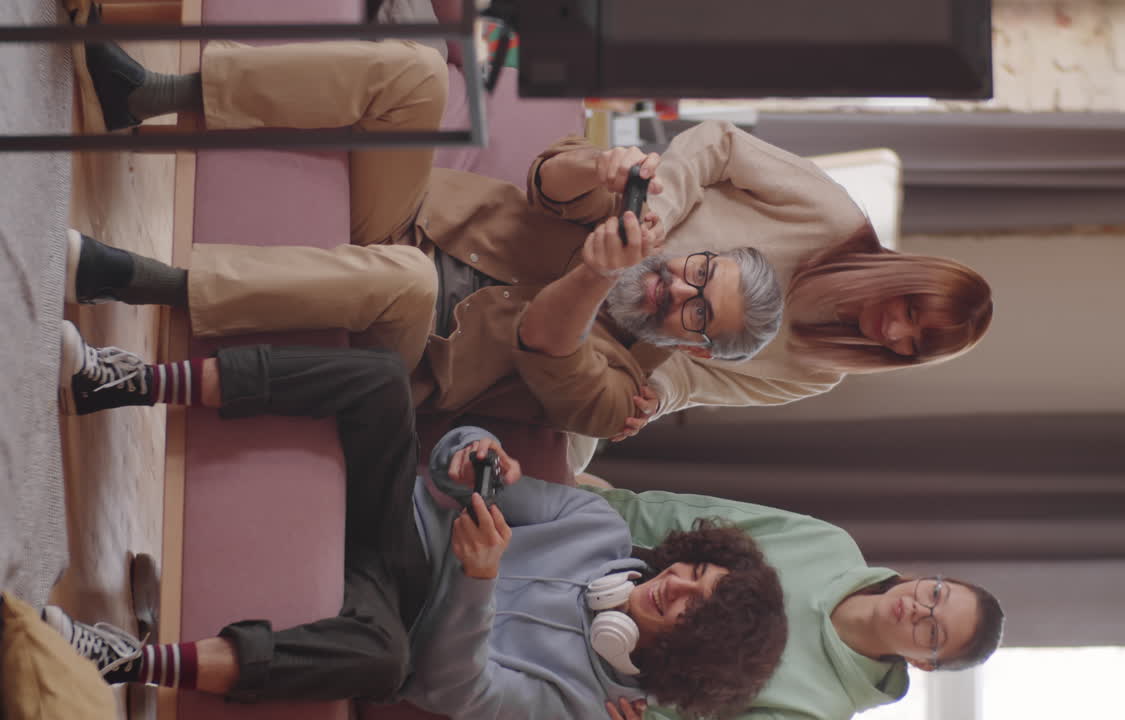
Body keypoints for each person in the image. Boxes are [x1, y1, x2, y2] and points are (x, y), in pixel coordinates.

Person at [50, 321, 788, 720]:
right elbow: (459, 466)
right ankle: (126, 380)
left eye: (692, 611)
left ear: (689, 658)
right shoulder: (595, 528)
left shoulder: (587, 707)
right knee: (379, 380)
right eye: (691, 574)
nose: (676, 590)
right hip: (400, 515)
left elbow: (452, 692)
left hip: (396, 614)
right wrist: (471, 458)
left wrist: (477, 582)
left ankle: (127, 661)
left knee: (382, 664)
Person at [71, 35, 782, 439]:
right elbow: (544, 181)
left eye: (697, 309)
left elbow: (544, 339)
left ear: (694, 345)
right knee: (417, 75)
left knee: (407, 281)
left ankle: (142, 280)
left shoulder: (620, 399)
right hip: (410, 218)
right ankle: (152, 95)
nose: (677, 286)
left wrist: (595, 276)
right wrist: (597, 167)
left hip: (408, 346)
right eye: (700, 271)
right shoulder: (638, 221)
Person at [542, 122, 994, 443]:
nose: (894, 333)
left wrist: (654, 400)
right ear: (907, 275)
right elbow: (721, 144)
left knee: (574, 446)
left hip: (602, 336)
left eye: (911, 346)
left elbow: (693, 379)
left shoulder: (813, 374)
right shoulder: (830, 217)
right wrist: (654, 213)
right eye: (910, 311)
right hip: (599, 223)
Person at [578, 483, 1005, 720]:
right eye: (935, 594)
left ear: (923, 663)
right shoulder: (828, 544)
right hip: (599, 561)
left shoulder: (818, 713)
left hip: (592, 680)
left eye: (932, 631)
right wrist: (583, 508)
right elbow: (686, 518)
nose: (918, 608)